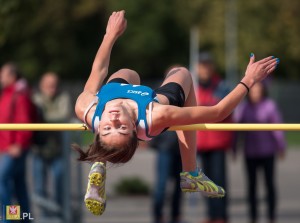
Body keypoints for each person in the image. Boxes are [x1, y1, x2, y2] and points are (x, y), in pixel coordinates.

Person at [72, 10, 279, 216]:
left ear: (98, 129)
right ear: (134, 129)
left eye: (108, 127)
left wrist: (110, 34)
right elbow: (218, 112)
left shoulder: (86, 108)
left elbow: (99, 69)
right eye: (122, 128)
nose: (114, 119)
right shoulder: (158, 115)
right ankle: (190, 172)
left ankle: (100, 160)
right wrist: (248, 80)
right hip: (149, 105)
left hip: (119, 98)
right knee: (182, 73)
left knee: (128, 73)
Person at [233, 82, 285, 223]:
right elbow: (237, 130)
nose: (255, 94)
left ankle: (271, 216)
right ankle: (253, 217)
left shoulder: (270, 106)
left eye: (258, 91)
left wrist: (281, 147)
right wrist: (234, 148)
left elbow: (277, 128)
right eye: (253, 91)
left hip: (267, 152)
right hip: (250, 153)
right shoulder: (244, 108)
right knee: (252, 187)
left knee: (269, 184)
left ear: (263, 92)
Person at [195, 53, 233, 223]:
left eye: (207, 65)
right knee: (206, 182)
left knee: (219, 181)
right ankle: (211, 216)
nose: (205, 69)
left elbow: (222, 111)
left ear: (212, 67)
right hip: (201, 143)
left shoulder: (222, 86)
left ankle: (221, 216)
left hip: (218, 142)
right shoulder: (194, 87)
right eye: (202, 65)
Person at [32, 72, 72, 216]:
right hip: (40, 149)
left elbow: (64, 116)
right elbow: (35, 116)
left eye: (54, 85)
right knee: (39, 187)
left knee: (60, 184)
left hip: (59, 149)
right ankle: (45, 216)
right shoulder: (35, 98)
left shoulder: (64, 97)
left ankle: (61, 215)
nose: (52, 88)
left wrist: (44, 119)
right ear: (42, 86)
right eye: (48, 85)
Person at [0, 62, 34, 223]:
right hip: (8, 147)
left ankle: (9, 219)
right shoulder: (8, 93)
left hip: (14, 148)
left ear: (12, 76)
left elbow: (24, 122)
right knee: (18, 186)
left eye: (3, 74)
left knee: (3, 181)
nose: (1, 78)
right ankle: (24, 218)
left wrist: (19, 144)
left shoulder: (19, 95)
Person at [150, 131, 183, 223]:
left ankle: (175, 216)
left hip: (181, 147)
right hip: (165, 145)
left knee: (180, 184)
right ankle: (158, 216)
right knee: (162, 184)